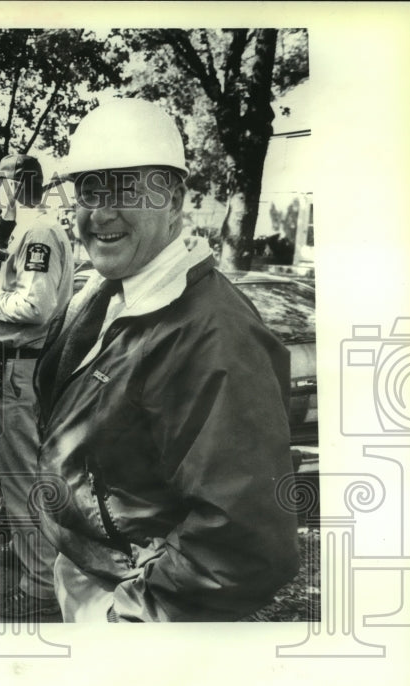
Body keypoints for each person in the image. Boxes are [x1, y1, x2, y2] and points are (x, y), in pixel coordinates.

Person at [35, 98, 299, 621]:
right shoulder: (112, 291)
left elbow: (246, 542)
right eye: (90, 190)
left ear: (175, 200)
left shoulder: (215, 336)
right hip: (91, 571)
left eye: (128, 189)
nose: (102, 212)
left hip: (141, 609)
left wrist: (129, 617)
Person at [0, 154, 74, 620]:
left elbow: (36, 305)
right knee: (18, 474)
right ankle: (24, 551)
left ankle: (39, 589)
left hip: (24, 370)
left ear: (16, 186)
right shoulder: (28, 233)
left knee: (23, 478)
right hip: (15, 366)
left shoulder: (39, 233)